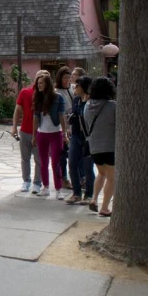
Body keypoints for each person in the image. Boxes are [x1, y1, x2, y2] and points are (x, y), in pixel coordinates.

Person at [31, 73, 68, 199]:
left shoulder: (58, 98)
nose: (39, 85)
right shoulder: (37, 97)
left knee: (56, 162)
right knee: (43, 162)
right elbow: (35, 118)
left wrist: (64, 133)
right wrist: (34, 135)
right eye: (38, 83)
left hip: (56, 133)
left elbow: (62, 116)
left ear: (48, 84)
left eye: (41, 83)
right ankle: (45, 187)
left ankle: (58, 189)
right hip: (42, 133)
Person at [11, 70, 48, 193]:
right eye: (39, 78)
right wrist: (14, 127)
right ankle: (26, 181)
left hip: (42, 132)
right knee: (25, 158)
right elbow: (17, 110)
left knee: (40, 160)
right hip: (26, 131)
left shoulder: (49, 96)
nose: (40, 82)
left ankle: (37, 183)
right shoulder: (25, 92)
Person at [84, 77, 117, 217]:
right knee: (112, 177)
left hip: (94, 147)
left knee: (102, 173)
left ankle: (94, 199)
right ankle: (104, 207)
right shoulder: (113, 106)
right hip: (110, 146)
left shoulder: (87, 105)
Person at [66, 76, 95, 205]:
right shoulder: (76, 100)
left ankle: (89, 194)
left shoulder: (92, 102)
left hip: (88, 138)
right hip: (76, 135)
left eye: (77, 85)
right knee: (72, 163)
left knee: (88, 166)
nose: (74, 87)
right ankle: (76, 193)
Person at [54, 67, 75, 190]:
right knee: (63, 155)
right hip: (64, 127)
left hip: (74, 126)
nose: (67, 80)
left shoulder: (72, 89)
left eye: (69, 77)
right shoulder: (57, 92)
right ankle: (63, 178)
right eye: (65, 78)